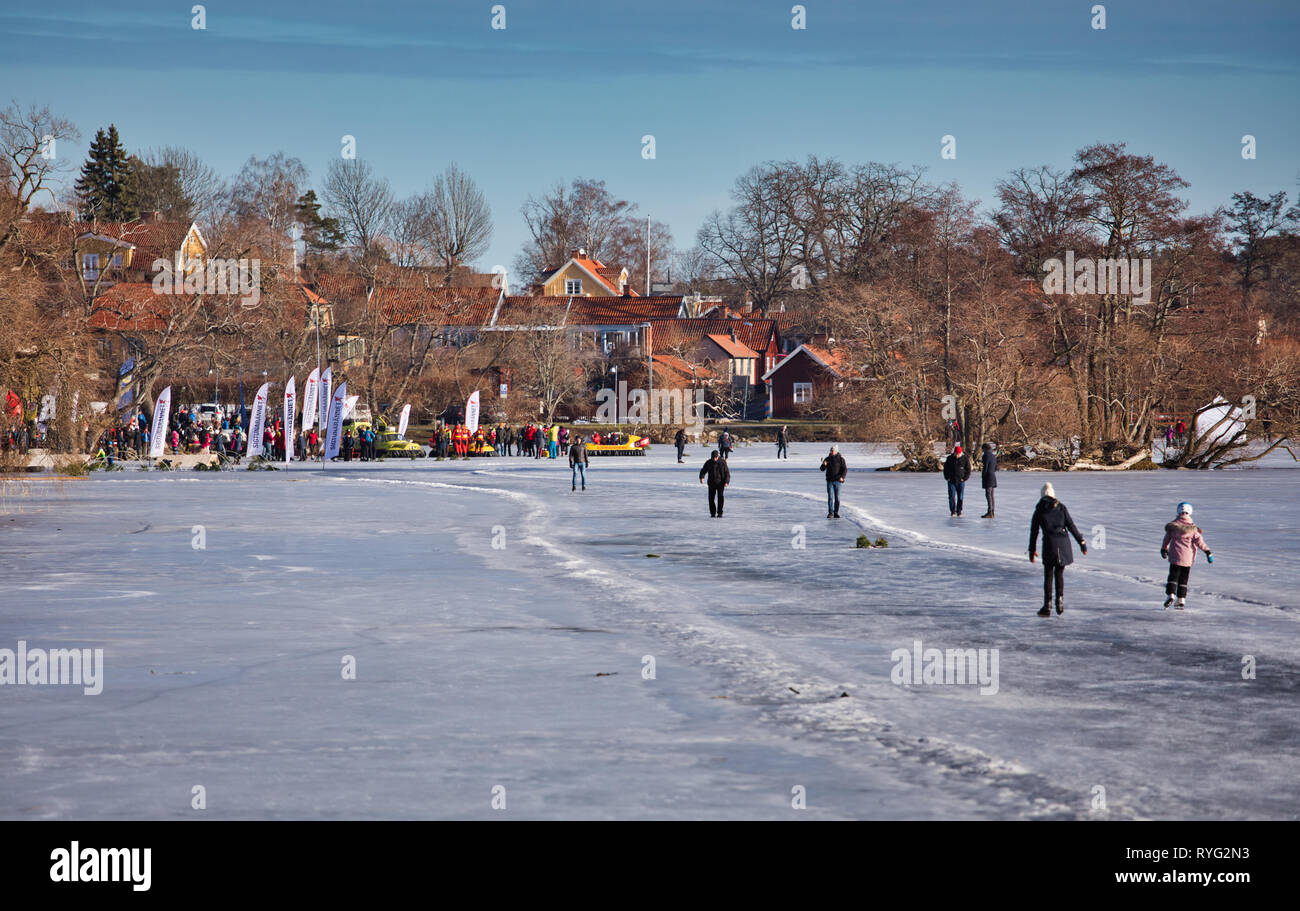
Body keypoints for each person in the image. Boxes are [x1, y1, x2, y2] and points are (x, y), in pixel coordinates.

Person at [1029, 482, 1087, 616]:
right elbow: (1071, 526)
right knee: (1059, 574)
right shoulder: (1061, 507)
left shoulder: (1039, 510)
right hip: (1063, 545)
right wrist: (1082, 543)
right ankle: (1059, 603)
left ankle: (1047, 606)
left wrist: (1032, 550)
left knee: (1048, 575)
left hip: (1049, 545)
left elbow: (1034, 532)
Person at [1161, 502, 1212, 609]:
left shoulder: (1173, 527)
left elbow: (1166, 539)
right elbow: (1200, 543)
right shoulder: (1193, 529)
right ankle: (1181, 599)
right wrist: (1207, 552)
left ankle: (1170, 595)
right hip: (1187, 558)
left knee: (1173, 576)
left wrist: (1164, 549)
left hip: (1175, 556)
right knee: (1183, 579)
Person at [699, 449, 731, 517]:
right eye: (713, 458)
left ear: (718, 456)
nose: (714, 459)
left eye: (716, 457)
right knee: (711, 499)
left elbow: (727, 473)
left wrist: (726, 481)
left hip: (720, 483)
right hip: (711, 483)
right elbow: (703, 470)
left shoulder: (722, 462)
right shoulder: (709, 462)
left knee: (720, 498)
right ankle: (712, 513)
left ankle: (720, 512)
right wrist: (702, 477)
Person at [943, 444, 971, 516]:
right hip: (951, 481)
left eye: (958, 454)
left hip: (961, 481)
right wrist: (947, 477)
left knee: (960, 496)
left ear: (960, 453)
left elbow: (968, 470)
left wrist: (964, 478)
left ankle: (959, 511)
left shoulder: (965, 459)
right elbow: (945, 469)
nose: (957, 455)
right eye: (956, 454)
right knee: (951, 496)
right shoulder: (950, 458)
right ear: (954, 452)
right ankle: (952, 511)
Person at [819, 445, 847, 518]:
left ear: (836, 451)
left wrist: (842, 477)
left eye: (832, 450)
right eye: (831, 450)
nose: (831, 451)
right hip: (830, 481)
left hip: (838, 481)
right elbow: (822, 469)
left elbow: (844, 469)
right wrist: (824, 465)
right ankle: (830, 513)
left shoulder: (841, 459)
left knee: (837, 497)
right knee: (830, 497)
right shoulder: (827, 459)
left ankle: (836, 512)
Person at [979, 442, 998, 518]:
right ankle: (992, 511)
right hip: (993, 476)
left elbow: (985, 466)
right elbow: (996, 467)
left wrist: (983, 475)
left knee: (988, 495)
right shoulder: (993, 456)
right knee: (991, 495)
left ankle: (990, 512)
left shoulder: (986, 455)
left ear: (984, 449)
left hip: (988, 477)